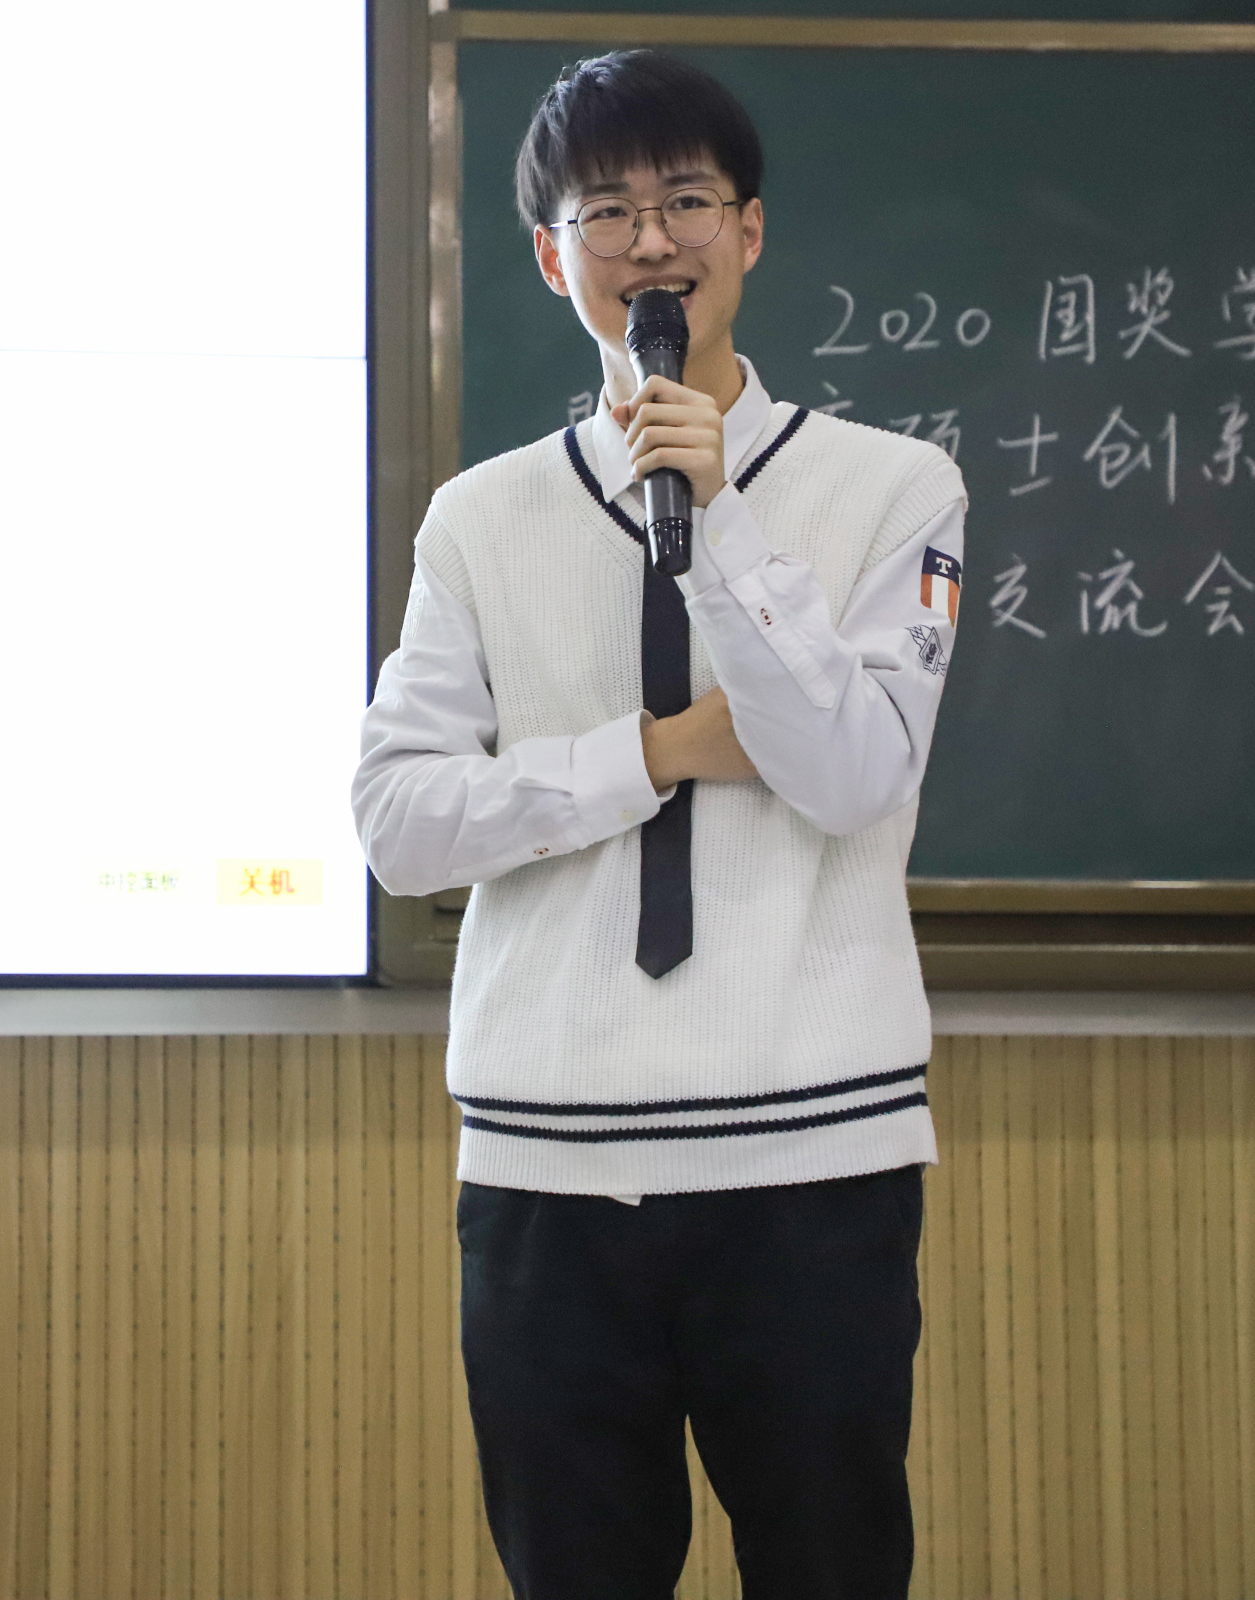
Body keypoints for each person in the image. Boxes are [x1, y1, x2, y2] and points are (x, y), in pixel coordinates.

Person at [351, 49, 968, 1600]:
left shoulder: (898, 489)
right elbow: (402, 824)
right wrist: (656, 753)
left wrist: (724, 525)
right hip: (548, 1169)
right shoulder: (480, 517)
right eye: (606, 211)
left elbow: (851, 773)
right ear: (549, 256)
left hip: (815, 1156)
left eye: (687, 200)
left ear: (749, 231)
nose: (650, 242)